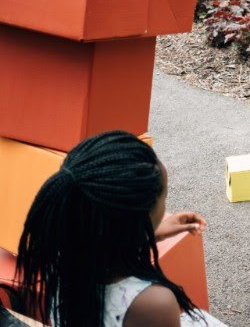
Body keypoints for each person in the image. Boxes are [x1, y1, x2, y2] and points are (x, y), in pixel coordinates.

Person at [14, 131, 227, 327]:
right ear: (139, 220)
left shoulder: (60, 252)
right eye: (164, 198)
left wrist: (148, 234)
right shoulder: (152, 305)